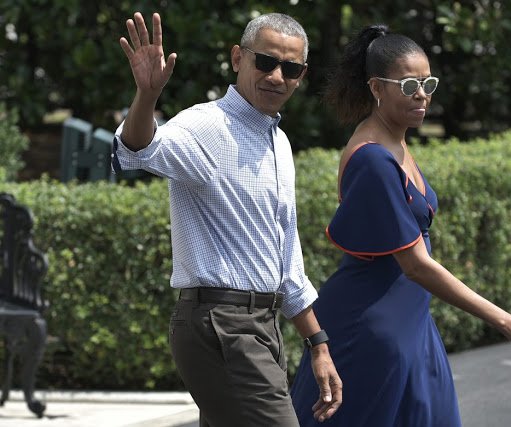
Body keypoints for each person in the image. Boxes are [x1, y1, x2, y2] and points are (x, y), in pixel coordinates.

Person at [290, 24, 511, 426]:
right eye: (409, 85)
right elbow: (416, 264)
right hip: (372, 329)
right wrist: (506, 320)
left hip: (412, 322)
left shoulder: (397, 140)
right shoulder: (373, 159)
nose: (422, 94)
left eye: (428, 83)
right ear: (376, 87)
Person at [112, 11, 342, 426]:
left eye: (290, 68)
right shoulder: (206, 125)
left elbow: (286, 262)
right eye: (265, 62)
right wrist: (146, 96)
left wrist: (318, 344)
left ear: (301, 75)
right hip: (221, 323)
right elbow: (137, 151)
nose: (276, 76)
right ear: (238, 58)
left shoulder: (280, 142)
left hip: (262, 325)